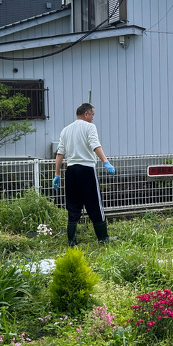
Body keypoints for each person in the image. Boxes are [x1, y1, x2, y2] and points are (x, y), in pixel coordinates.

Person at [52, 103, 116, 245]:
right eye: (92, 114)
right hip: (86, 169)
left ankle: (71, 240)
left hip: (71, 170)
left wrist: (57, 174)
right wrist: (106, 161)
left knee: (73, 204)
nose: (93, 118)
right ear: (86, 114)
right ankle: (103, 238)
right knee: (94, 204)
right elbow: (95, 145)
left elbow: (59, 154)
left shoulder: (66, 130)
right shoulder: (90, 127)